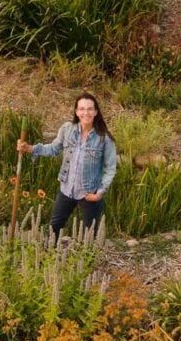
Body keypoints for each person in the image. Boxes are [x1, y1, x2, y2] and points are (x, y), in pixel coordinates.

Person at [18, 94, 117, 239]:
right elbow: (53, 149)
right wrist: (30, 148)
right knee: (54, 229)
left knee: (90, 236)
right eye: (82, 109)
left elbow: (110, 169)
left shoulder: (104, 139)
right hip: (66, 190)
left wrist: (100, 193)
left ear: (96, 112)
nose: (86, 113)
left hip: (89, 194)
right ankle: (49, 258)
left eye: (90, 109)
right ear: (77, 111)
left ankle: (87, 259)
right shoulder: (67, 129)